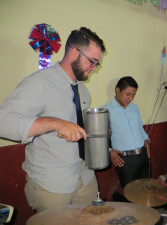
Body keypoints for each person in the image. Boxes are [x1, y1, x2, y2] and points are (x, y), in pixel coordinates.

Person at [0, 27, 106, 212]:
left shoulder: (82, 90)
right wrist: (54, 123)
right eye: (92, 61)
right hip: (52, 184)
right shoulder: (38, 83)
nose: (94, 68)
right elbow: (3, 121)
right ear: (74, 52)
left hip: (85, 176)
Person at [103, 76, 150, 188]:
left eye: (133, 95)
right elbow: (99, 138)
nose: (130, 98)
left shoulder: (134, 108)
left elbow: (140, 127)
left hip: (142, 155)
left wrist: (146, 139)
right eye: (128, 94)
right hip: (125, 160)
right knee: (130, 194)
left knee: (145, 192)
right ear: (117, 90)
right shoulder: (106, 111)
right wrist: (109, 151)